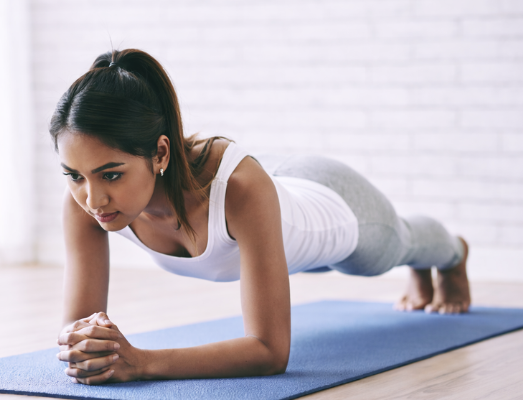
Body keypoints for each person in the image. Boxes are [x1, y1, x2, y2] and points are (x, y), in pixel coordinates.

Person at [51, 49, 471, 385]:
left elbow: (269, 351)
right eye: (74, 175)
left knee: (396, 246)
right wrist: (88, 347)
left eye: (111, 174)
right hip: (275, 192)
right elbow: (78, 328)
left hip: (333, 205)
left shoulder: (239, 188)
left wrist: (141, 363)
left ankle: (452, 255)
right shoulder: (86, 203)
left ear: (160, 153)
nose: (93, 197)